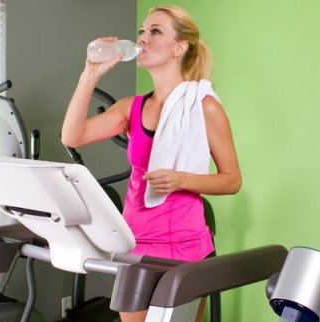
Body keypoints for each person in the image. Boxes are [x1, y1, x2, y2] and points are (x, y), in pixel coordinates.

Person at [61, 4, 241, 322]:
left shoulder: (205, 108)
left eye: (155, 31)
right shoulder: (130, 107)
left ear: (179, 47)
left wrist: (182, 179)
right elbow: (72, 136)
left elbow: (231, 179)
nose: (142, 39)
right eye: (141, 31)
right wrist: (90, 73)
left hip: (187, 249)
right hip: (136, 244)